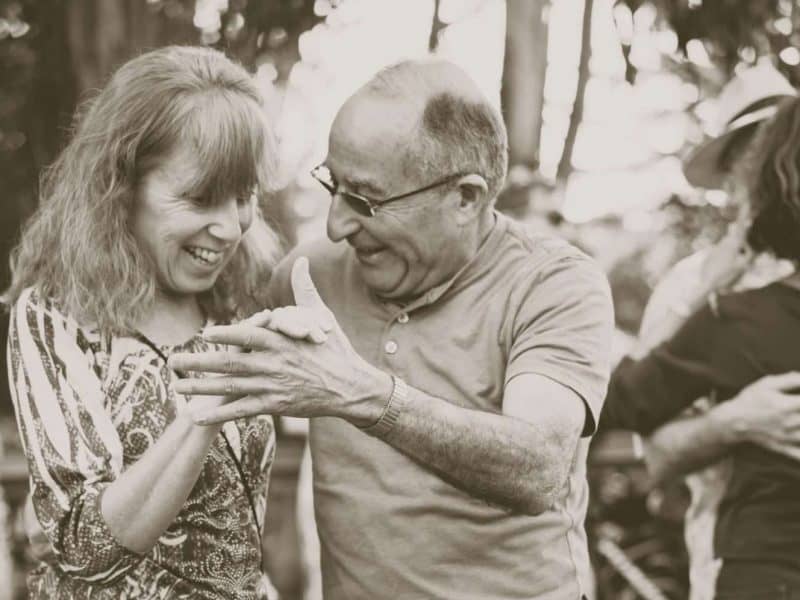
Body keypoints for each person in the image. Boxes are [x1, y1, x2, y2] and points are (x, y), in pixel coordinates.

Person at [169, 58, 614, 600]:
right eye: (333, 185)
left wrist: (363, 394)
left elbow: (540, 468)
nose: (337, 225)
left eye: (365, 199)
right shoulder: (312, 275)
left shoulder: (554, 283)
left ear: (465, 198)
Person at [3, 45, 301, 599]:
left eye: (243, 196)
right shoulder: (55, 316)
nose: (230, 228)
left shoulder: (240, 292)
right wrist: (206, 408)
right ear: (120, 185)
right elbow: (83, 550)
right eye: (200, 199)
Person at [601, 94, 800, 600]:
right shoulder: (694, 287)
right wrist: (733, 422)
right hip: (727, 553)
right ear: (731, 179)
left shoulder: (744, 311)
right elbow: (650, 451)